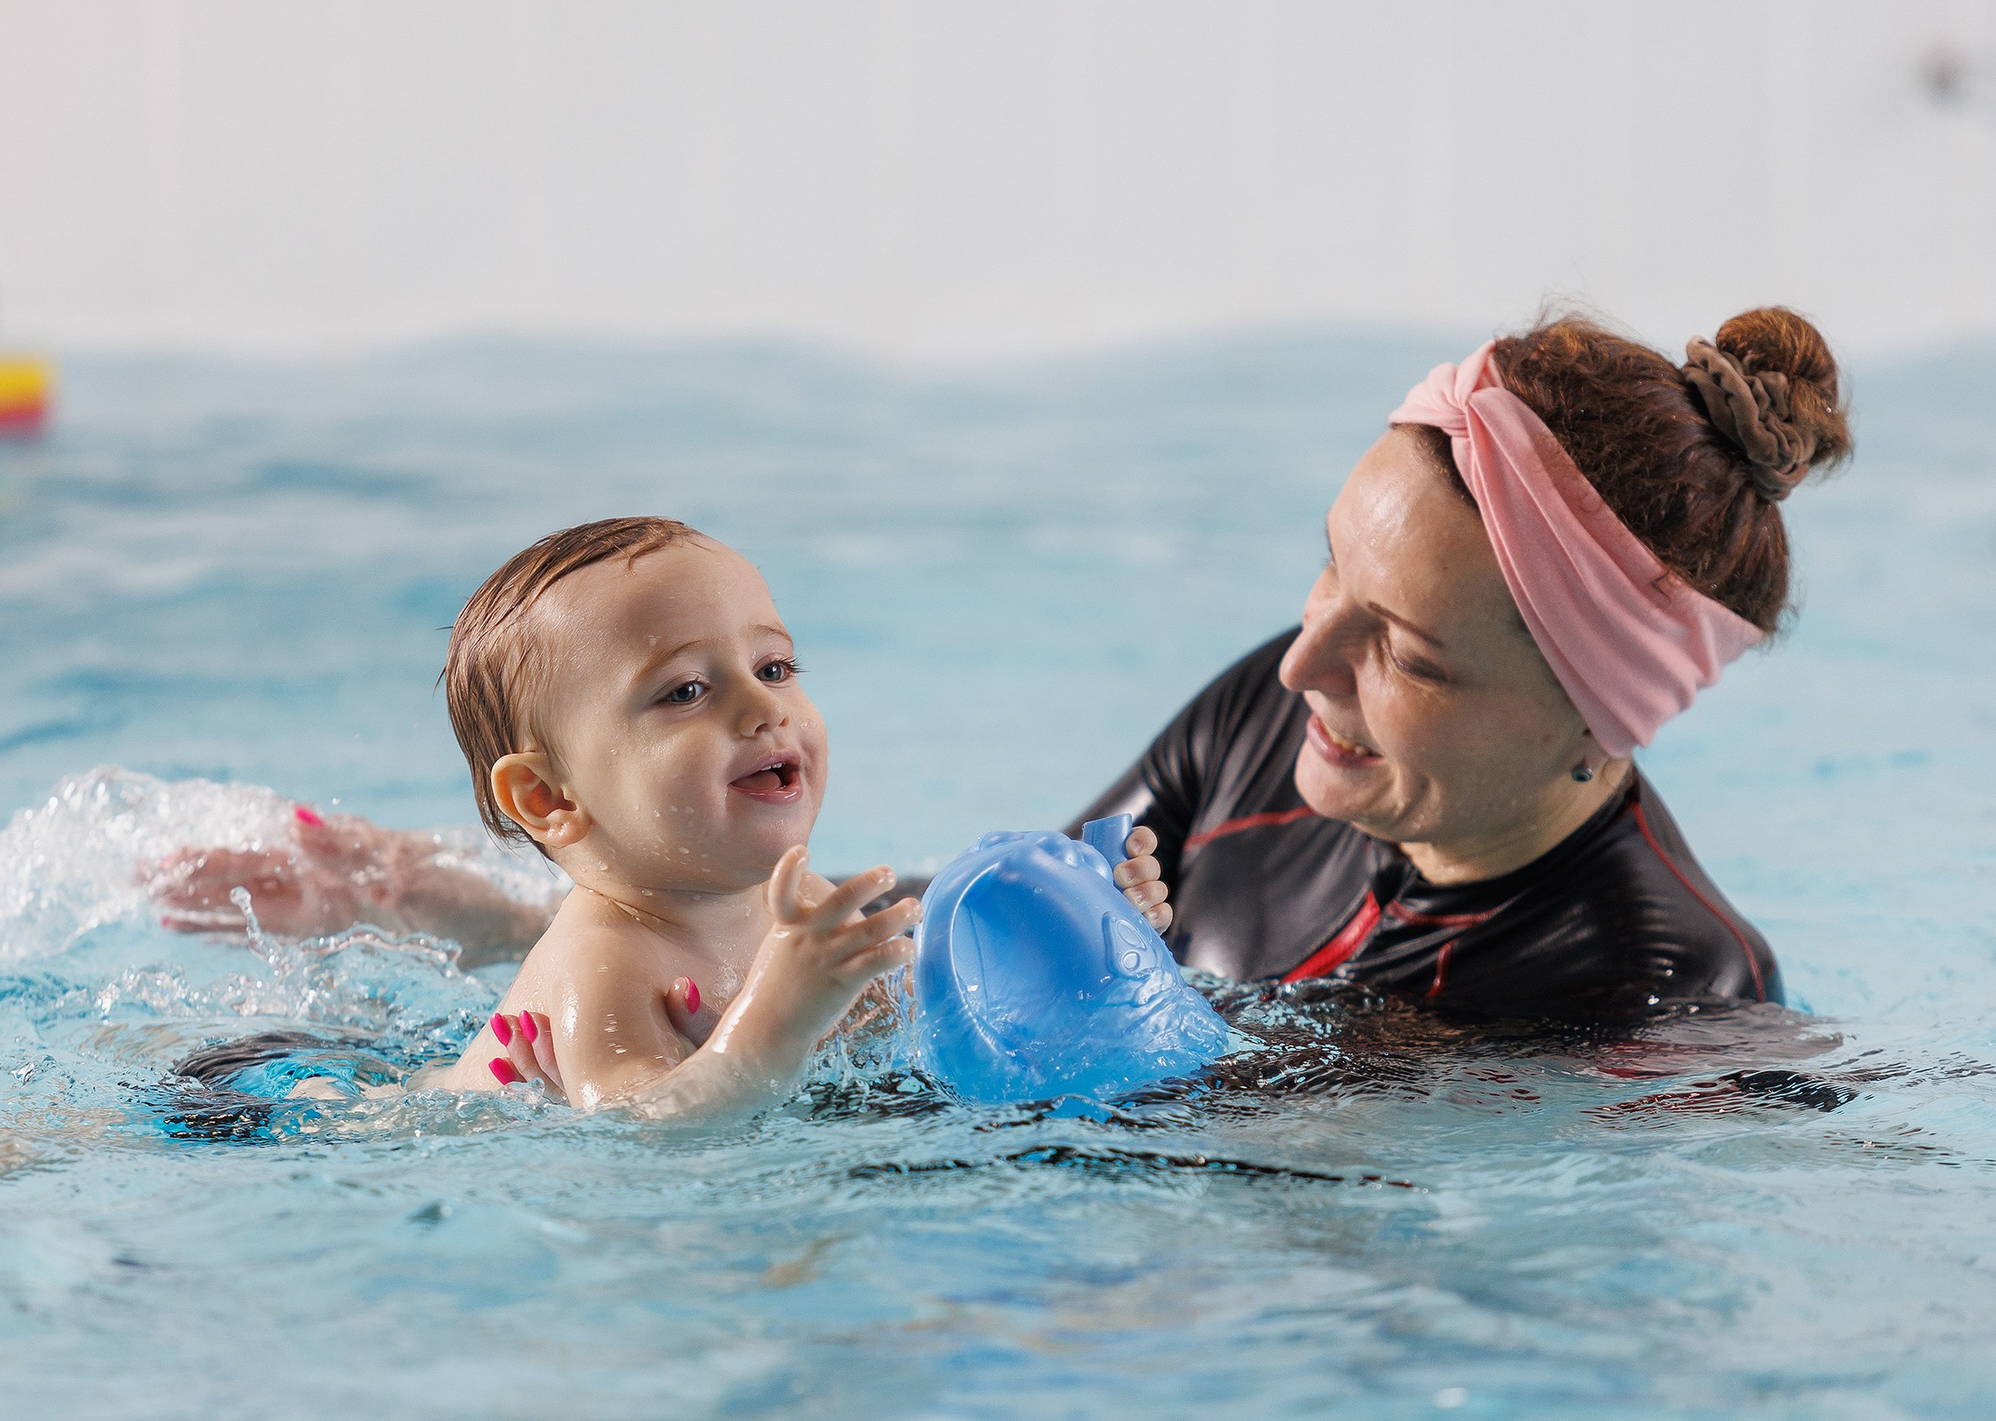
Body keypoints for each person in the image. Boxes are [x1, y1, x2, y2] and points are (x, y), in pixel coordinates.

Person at [158, 308, 1850, 1023]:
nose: (1304, 657)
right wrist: (468, 900)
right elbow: (907, 987)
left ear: (1595, 719)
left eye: (1397, 647)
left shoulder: (1662, 1002)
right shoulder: (1284, 714)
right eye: (1327, 567)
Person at [405, 516, 922, 1114]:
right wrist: (772, 1026)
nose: (764, 708)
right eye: (686, 691)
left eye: (773, 669)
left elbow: (900, 1025)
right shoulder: (604, 957)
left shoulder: (800, 901)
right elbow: (640, 1131)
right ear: (551, 798)